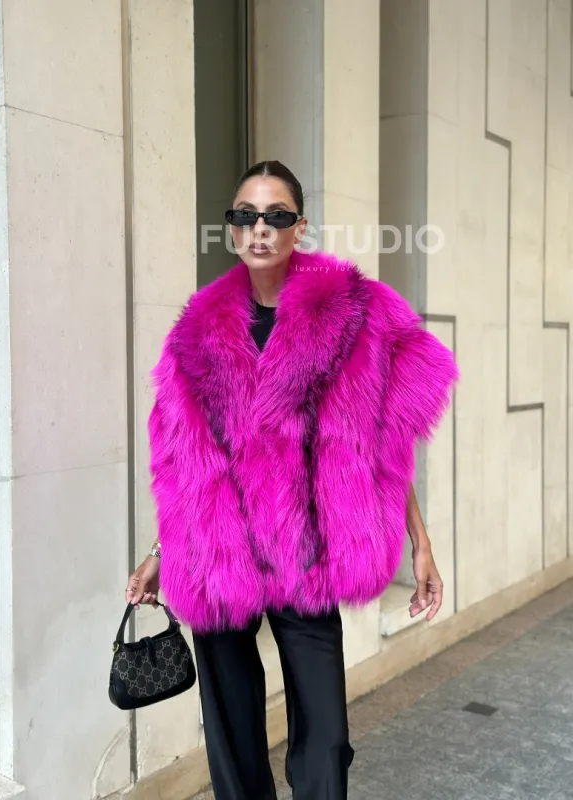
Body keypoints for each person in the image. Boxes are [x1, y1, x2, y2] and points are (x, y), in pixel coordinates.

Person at [126, 160, 458, 800]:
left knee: (326, 738)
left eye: (276, 216)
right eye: (246, 216)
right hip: (221, 553)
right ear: (231, 229)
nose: (260, 229)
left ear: (299, 227)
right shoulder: (197, 332)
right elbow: (183, 464)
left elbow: (386, 445)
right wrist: (162, 553)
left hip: (307, 552)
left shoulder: (353, 313)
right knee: (231, 732)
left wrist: (419, 543)